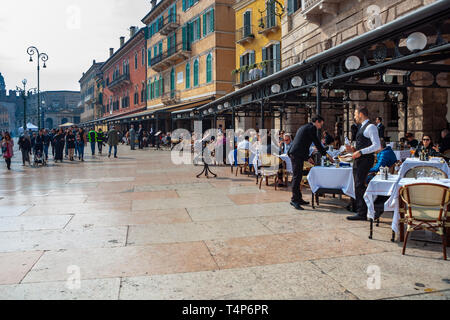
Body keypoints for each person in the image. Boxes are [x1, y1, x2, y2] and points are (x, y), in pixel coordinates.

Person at [288, 115, 332, 211]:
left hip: (296, 153)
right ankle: (294, 200)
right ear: (317, 121)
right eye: (321, 124)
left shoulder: (305, 127)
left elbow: (302, 143)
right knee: (296, 177)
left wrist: (307, 157)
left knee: (298, 177)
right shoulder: (312, 128)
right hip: (296, 154)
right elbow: (316, 142)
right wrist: (326, 155)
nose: (321, 126)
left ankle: (298, 198)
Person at [346, 107, 382, 221]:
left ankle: (362, 212)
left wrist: (360, 152)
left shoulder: (371, 127)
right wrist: (354, 149)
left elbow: (377, 146)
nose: (355, 117)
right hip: (360, 159)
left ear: (361, 114)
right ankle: (361, 209)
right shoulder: (362, 127)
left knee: (359, 185)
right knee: (358, 185)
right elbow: (364, 145)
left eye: (356, 114)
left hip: (365, 160)